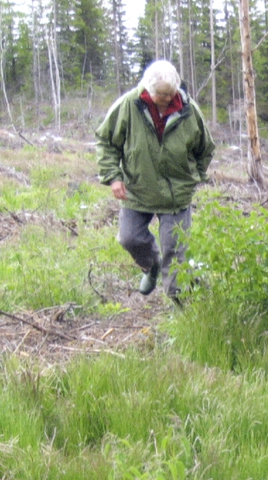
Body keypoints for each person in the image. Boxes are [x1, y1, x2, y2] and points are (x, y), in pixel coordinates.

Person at [96, 60, 215, 301]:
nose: (166, 98)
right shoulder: (129, 105)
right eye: (160, 94)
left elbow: (206, 148)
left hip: (176, 195)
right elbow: (106, 141)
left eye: (170, 93)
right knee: (130, 238)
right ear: (148, 89)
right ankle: (151, 264)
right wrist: (113, 177)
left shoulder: (189, 110)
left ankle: (182, 307)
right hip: (137, 189)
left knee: (176, 252)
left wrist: (194, 178)